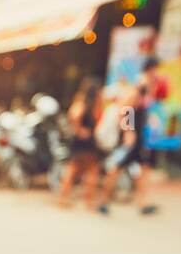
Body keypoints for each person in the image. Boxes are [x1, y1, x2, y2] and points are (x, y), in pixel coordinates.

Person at [98, 70, 157, 216]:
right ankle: (103, 202)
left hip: (137, 142)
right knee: (115, 169)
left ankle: (143, 203)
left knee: (140, 172)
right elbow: (124, 111)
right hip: (129, 142)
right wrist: (128, 131)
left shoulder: (145, 95)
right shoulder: (134, 94)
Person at [56, 77, 101, 209]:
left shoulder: (81, 101)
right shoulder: (92, 105)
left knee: (73, 169)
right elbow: (95, 120)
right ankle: (88, 201)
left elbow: (72, 116)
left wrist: (77, 129)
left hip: (79, 141)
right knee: (91, 171)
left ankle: (63, 198)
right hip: (88, 141)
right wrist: (81, 130)